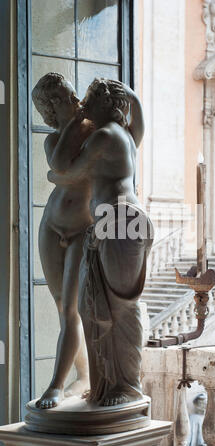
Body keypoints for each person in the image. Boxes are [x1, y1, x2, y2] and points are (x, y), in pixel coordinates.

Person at [49, 78, 153, 406]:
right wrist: (129, 95)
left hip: (120, 221)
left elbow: (64, 169)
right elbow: (140, 122)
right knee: (92, 306)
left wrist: (76, 122)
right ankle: (111, 383)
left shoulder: (106, 136)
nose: (83, 106)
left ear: (105, 105)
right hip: (114, 221)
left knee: (120, 306)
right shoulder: (124, 135)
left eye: (89, 101)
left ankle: (127, 387)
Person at [32, 73, 95, 408]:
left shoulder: (95, 131)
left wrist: (59, 175)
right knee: (62, 307)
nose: (69, 98)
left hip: (82, 230)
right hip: (51, 226)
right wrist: (71, 123)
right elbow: (61, 165)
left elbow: (66, 171)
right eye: (57, 99)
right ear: (50, 110)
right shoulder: (53, 138)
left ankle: (55, 386)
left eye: (68, 92)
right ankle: (84, 376)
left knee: (71, 308)